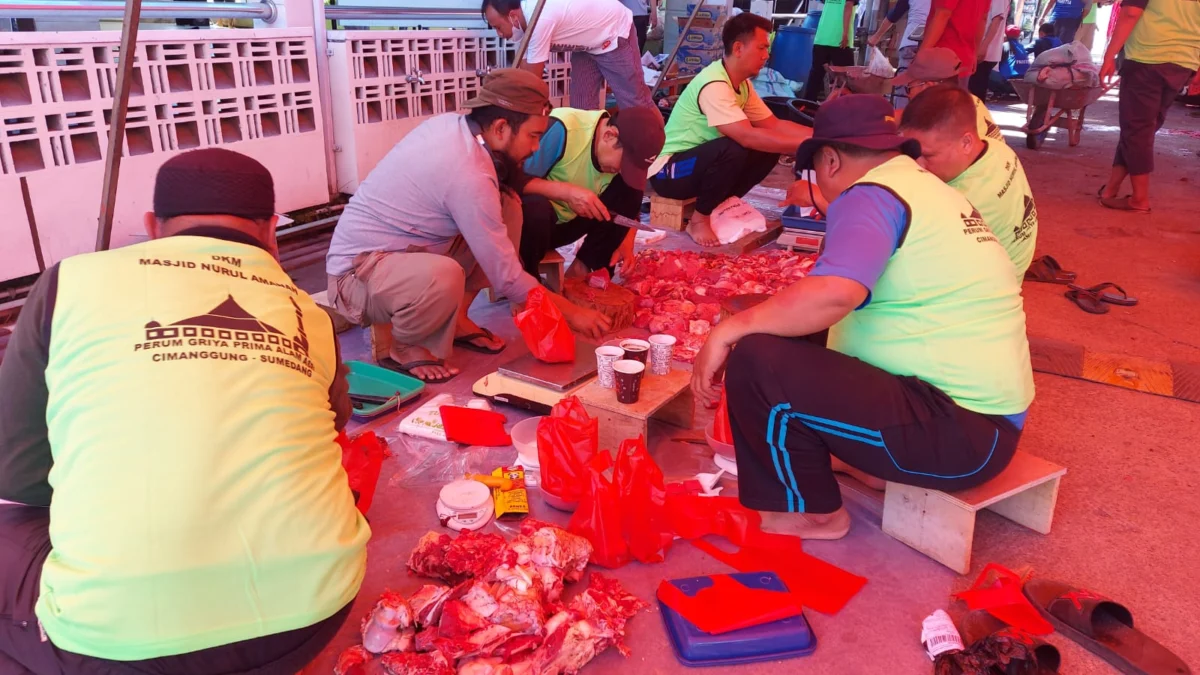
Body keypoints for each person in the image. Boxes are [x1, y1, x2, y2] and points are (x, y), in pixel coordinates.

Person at [0, 148, 369, 673]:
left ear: (153, 226)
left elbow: (20, 481)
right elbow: (329, 430)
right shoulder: (306, 311)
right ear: (270, 232)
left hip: (113, 649)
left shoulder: (70, 281)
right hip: (312, 617)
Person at [691, 95, 1033, 539]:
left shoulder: (869, 194)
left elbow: (836, 292)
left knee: (757, 358)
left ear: (829, 160)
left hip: (959, 440)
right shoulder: (925, 187)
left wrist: (728, 330)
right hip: (984, 430)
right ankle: (863, 468)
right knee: (790, 330)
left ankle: (811, 513)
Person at [326, 69, 611, 383]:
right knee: (444, 275)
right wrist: (571, 313)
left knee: (509, 206)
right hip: (355, 278)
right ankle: (405, 346)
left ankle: (458, 318)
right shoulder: (469, 172)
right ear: (501, 128)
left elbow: (510, 191)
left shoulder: (457, 129)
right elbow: (507, 279)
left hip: (401, 256)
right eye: (533, 136)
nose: (535, 148)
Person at [649, 12, 812, 246]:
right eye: (762, 48)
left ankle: (721, 205)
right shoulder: (714, 84)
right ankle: (699, 219)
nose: (767, 56)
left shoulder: (741, 83)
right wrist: (808, 146)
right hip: (669, 173)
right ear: (738, 48)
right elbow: (746, 136)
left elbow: (774, 125)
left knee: (768, 146)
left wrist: (821, 138)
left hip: (697, 165)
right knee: (735, 146)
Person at [900, 85, 1038, 280]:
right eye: (912, 153)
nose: (918, 165)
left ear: (966, 143)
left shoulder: (962, 201)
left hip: (991, 287)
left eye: (928, 155)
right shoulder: (997, 148)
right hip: (1012, 262)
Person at [520, 105, 666, 278]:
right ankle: (525, 281)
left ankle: (584, 272)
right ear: (609, 135)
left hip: (567, 226)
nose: (621, 170)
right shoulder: (562, 129)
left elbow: (629, 207)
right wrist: (566, 192)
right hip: (526, 231)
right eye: (625, 164)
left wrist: (625, 238)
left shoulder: (618, 162)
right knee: (534, 207)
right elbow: (511, 182)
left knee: (629, 191)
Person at [1097, 0, 1199, 212]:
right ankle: (1111, 189)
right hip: (1184, 62)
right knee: (1139, 128)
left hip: (1148, 58)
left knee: (1137, 129)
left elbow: (1131, 14)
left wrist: (1110, 55)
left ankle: (1139, 199)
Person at [482, 0, 654, 111]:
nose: (499, 34)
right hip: (586, 44)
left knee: (633, 101)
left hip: (613, 31)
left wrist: (503, 99)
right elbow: (524, 69)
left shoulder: (539, 19)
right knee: (581, 107)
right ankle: (588, 154)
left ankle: (654, 151)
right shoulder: (525, 23)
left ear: (512, 16)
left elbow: (530, 80)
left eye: (498, 27)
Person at [893, 47, 1004, 140]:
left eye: (909, 88)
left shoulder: (941, 114)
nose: (908, 94)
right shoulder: (967, 99)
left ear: (928, 86)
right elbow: (901, 116)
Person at [869, 0, 934, 107]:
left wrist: (876, 36)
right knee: (927, 89)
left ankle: (901, 119)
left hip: (910, 44)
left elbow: (894, 14)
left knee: (903, 89)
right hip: (933, 45)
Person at [918, 0, 991, 86]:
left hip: (942, 56)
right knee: (956, 97)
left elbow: (943, 14)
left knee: (934, 97)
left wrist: (922, 55)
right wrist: (974, 53)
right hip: (965, 58)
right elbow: (983, 19)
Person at [802, 0, 858, 101]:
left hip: (822, 37)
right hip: (840, 40)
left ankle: (806, 108)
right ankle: (846, 111)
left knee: (815, 78)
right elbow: (848, 6)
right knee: (847, 80)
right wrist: (845, 33)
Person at [969, 0, 1010, 100]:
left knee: (976, 91)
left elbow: (997, 20)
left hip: (985, 51)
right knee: (973, 90)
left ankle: (977, 115)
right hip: (980, 48)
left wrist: (983, 46)